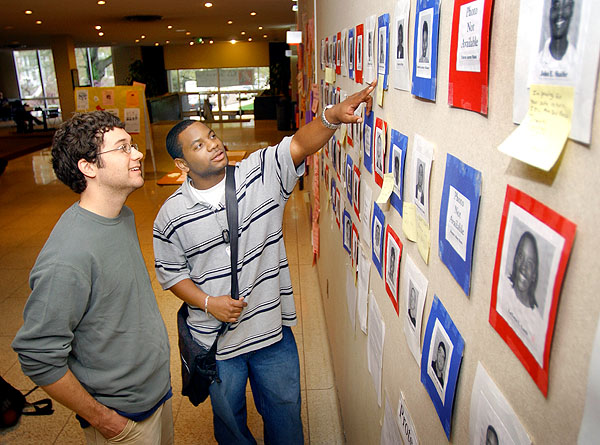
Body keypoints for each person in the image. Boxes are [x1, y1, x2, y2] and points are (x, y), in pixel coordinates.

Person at [153, 82, 376, 445]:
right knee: (230, 423)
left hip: (271, 331)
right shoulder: (169, 216)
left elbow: (300, 144)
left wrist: (333, 117)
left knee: (285, 414)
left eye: (211, 136)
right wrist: (209, 303)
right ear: (181, 163)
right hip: (216, 342)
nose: (212, 144)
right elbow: (172, 274)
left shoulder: (258, 175)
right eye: (198, 145)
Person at [12, 111, 173, 444]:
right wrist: (105, 421)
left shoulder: (121, 216)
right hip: (122, 419)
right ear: (88, 167)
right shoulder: (68, 257)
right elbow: (37, 355)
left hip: (155, 395)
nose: (138, 154)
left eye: (133, 145)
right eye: (123, 148)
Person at [535, 0, 576, 82]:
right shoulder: (535, 64)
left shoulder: (578, 64)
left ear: (571, 12)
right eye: (556, 5)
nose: (560, 13)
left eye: (566, 6)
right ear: (549, 11)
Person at [509, 231, 539, 309]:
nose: (523, 266)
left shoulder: (534, 316)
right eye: (521, 256)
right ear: (515, 259)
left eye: (529, 263)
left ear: (534, 275)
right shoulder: (504, 286)